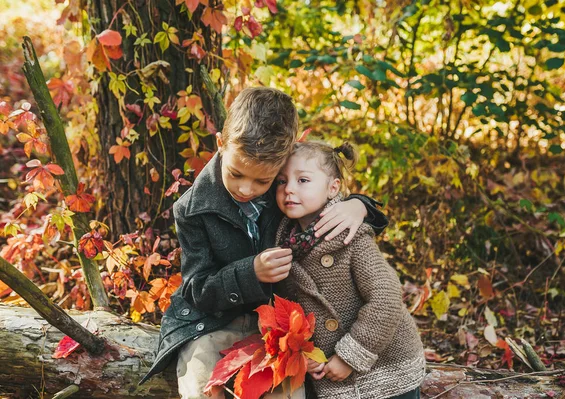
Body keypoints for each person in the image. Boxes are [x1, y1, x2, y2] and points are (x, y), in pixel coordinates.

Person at [139, 87, 388, 399]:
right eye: (236, 173)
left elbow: (325, 191)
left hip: (278, 326)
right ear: (220, 144)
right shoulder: (192, 210)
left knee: (288, 389)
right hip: (213, 322)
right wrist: (250, 272)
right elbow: (197, 289)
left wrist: (358, 205)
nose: (246, 189)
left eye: (262, 181)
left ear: (284, 162)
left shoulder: (286, 189)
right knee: (200, 374)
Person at [275, 141, 426, 399]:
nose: (289, 189)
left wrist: (350, 357)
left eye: (303, 180)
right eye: (281, 181)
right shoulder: (284, 244)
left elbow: (386, 298)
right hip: (333, 378)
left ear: (333, 188)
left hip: (387, 368)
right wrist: (307, 355)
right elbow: (295, 317)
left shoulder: (350, 236)